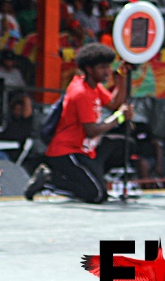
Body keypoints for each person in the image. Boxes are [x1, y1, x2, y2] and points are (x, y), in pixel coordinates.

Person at [24, 43, 132, 204]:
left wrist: (122, 76)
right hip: (67, 152)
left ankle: (93, 174)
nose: (107, 71)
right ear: (89, 69)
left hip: (84, 150)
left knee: (126, 145)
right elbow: (92, 131)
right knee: (97, 196)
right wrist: (120, 117)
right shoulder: (81, 93)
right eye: (103, 67)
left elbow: (115, 103)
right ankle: (49, 181)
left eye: (108, 67)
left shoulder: (93, 86)